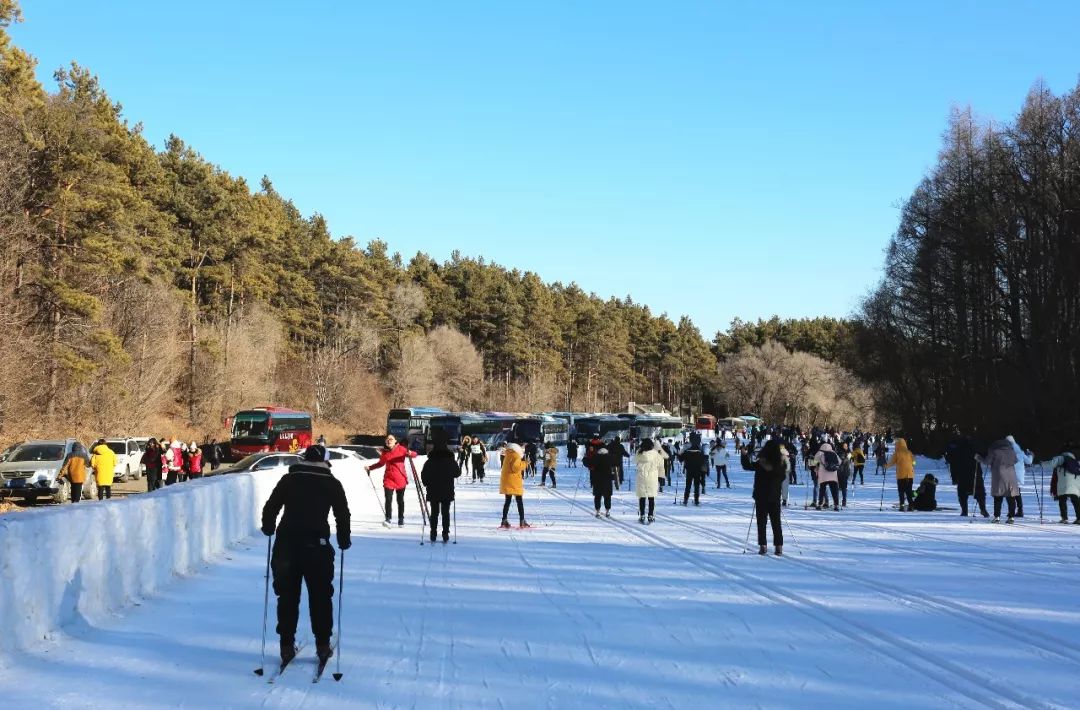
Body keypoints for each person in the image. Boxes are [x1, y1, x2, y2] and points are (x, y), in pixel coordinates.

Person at [260, 444, 350, 667]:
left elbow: (271, 507)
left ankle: (286, 646)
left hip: (286, 545)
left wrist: (268, 526)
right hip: (317, 547)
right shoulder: (332, 483)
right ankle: (322, 645)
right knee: (320, 596)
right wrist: (343, 538)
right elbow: (342, 513)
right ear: (325, 461)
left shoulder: (289, 480)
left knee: (287, 596)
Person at [366, 434, 417, 527]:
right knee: (388, 499)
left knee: (400, 500)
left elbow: (414, 455)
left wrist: (410, 452)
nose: (389, 441)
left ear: (395, 441)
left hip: (400, 478)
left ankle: (401, 519)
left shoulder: (401, 449)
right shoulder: (385, 452)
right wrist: (370, 467)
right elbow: (380, 463)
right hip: (388, 479)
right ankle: (388, 519)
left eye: (391, 439)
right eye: (387, 439)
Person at [421, 429, 460, 543]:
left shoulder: (430, 460)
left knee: (434, 512)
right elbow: (457, 473)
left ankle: (433, 533)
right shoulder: (450, 459)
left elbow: (424, 475)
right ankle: (445, 534)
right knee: (445, 512)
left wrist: (426, 483)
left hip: (433, 490)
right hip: (447, 490)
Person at [753, 439, 786, 556]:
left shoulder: (760, 463)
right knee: (776, 522)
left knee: (761, 522)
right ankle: (779, 547)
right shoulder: (781, 464)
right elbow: (783, 478)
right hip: (775, 496)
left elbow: (747, 466)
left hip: (761, 496)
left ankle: (763, 546)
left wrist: (744, 455)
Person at [978, 438, 1020, 523]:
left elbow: (987, 461)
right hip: (1011, 475)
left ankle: (997, 516)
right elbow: (1015, 460)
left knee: (998, 497)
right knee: (1011, 497)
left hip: (999, 475)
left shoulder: (994, 451)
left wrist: (979, 458)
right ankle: (1011, 517)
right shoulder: (1011, 451)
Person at [945, 435, 988, 517]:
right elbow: (984, 454)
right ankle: (983, 509)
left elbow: (950, 459)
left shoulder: (957, 448)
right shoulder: (975, 447)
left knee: (962, 493)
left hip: (962, 474)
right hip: (975, 474)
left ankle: (964, 511)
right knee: (979, 492)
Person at [499, 439, 529, 528]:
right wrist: (525, 463)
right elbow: (516, 467)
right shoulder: (516, 455)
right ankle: (522, 520)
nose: (523, 448)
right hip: (514, 482)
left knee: (507, 501)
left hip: (507, 480)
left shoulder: (509, 453)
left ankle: (504, 520)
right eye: (523, 446)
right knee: (519, 501)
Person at [635, 438, 666, 523]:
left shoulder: (639, 453)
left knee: (642, 497)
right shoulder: (656, 454)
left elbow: (634, 461)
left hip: (641, 477)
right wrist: (662, 477)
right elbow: (661, 465)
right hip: (652, 477)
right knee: (651, 498)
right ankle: (651, 515)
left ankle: (642, 515)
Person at [1047, 444, 1080, 524]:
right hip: (1076, 484)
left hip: (1064, 483)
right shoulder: (1075, 461)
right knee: (1075, 500)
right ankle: (1079, 518)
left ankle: (1064, 518)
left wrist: (1041, 464)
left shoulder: (1061, 458)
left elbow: (1052, 465)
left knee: (1062, 500)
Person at [1006, 435, 1033, 518]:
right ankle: (1020, 511)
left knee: (1011, 495)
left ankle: (1012, 512)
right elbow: (1029, 461)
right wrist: (1030, 455)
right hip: (1018, 477)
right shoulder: (1020, 453)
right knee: (1017, 493)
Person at [885, 438, 915, 511]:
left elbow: (891, 462)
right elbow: (914, 463)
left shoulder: (897, 453)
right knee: (909, 491)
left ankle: (902, 506)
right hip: (910, 475)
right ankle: (911, 506)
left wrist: (886, 466)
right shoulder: (909, 452)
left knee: (901, 491)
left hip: (901, 475)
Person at [588, 438, 614, 517]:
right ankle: (607, 511)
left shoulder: (596, 457)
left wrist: (585, 459)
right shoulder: (610, 457)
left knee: (597, 496)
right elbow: (615, 464)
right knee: (607, 496)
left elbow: (589, 463)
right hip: (607, 479)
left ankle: (598, 511)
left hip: (597, 479)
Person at [810, 442, 841, 511]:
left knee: (822, 490)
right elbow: (839, 461)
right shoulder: (833, 453)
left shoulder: (819, 453)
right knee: (834, 491)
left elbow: (813, 463)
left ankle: (820, 504)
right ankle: (836, 505)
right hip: (833, 475)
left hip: (823, 475)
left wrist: (809, 461)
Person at [678, 435, 708, 506]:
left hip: (689, 470)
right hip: (698, 470)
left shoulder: (687, 451)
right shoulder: (701, 451)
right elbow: (704, 460)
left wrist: (678, 454)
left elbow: (680, 459)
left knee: (688, 485)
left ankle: (685, 500)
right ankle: (696, 500)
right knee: (696, 485)